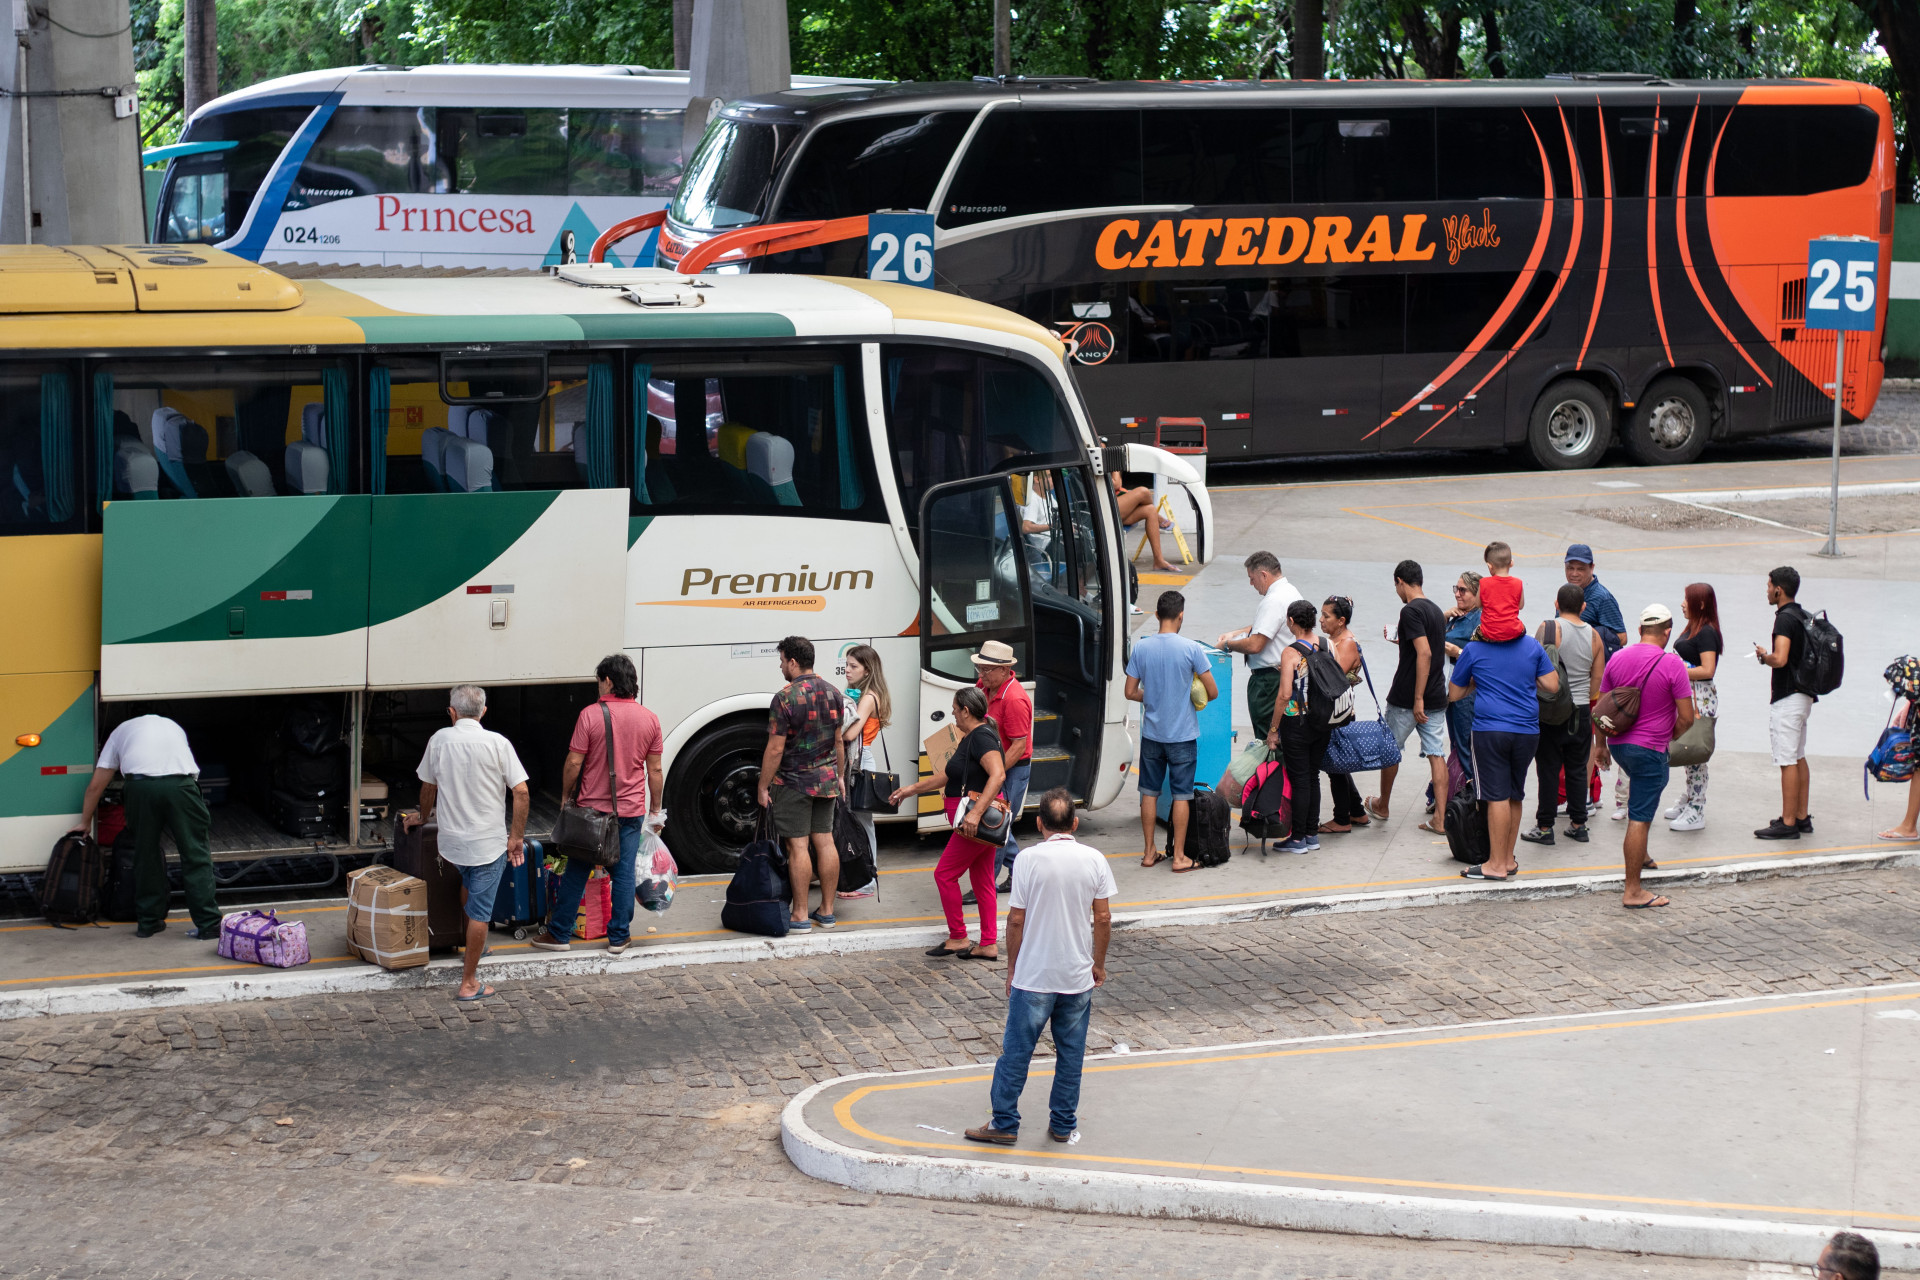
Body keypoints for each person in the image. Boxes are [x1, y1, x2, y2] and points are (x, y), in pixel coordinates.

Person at [964, 788, 1115, 1147]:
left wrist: (1012, 968)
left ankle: (1004, 1123)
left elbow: (1015, 921)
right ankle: (1062, 1125)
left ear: (1038, 823)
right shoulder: (1094, 859)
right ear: (1075, 823)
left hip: (1033, 977)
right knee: (1071, 1055)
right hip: (1076, 977)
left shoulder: (1028, 861)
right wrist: (1099, 964)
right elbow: (1104, 917)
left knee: (1016, 1054)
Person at [529, 655, 663, 957]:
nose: (598, 687)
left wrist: (565, 796)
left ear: (608, 681)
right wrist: (656, 810)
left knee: (577, 870)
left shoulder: (590, 715)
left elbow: (574, 761)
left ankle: (560, 933)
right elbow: (654, 770)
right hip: (630, 811)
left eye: (599, 681)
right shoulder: (649, 718)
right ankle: (618, 937)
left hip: (591, 813)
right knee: (624, 873)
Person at [406, 685, 530, 1001]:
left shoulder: (439, 741)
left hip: (451, 844)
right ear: (483, 712)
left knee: (468, 881)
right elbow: (522, 792)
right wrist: (515, 838)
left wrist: (422, 816)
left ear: (452, 712)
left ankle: (470, 945)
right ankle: (469, 982)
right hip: (487, 844)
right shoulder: (498, 743)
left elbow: (427, 788)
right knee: (480, 913)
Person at [69, 713, 221, 941]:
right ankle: (208, 924)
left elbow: (96, 786)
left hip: (141, 789)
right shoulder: (174, 725)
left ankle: (148, 923)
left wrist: (85, 822)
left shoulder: (119, 732)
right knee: (195, 854)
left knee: (144, 853)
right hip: (181, 786)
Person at [888, 686, 1006, 960]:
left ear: (966, 710)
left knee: (944, 874)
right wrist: (911, 789)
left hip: (974, 824)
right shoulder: (974, 736)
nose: (952, 713)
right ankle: (987, 943)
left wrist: (974, 815)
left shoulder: (980, 738)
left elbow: (998, 775)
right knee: (983, 882)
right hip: (978, 824)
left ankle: (958, 936)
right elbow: (946, 777)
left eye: (955, 709)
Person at [1592, 605, 1695, 908]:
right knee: (1640, 817)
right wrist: (1666, 737)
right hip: (1650, 749)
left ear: (1639, 631)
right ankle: (1633, 891)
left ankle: (1643, 855)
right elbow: (1687, 718)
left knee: (1639, 802)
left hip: (1621, 747)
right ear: (1667, 632)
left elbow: (1602, 709)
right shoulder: (1672, 663)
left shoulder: (1619, 657)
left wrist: (1601, 747)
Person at [1448, 624, 1558, 881]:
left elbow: (1454, 693)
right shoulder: (1532, 645)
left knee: (1495, 796)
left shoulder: (1474, 649)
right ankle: (1508, 858)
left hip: (1490, 730)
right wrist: (1521, 680)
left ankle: (1495, 865)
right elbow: (1552, 685)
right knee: (1514, 794)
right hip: (1527, 731)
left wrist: (1478, 682)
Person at [757, 635, 846, 930]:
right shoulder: (834, 693)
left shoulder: (785, 698)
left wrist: (762, 785)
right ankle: (828, 911)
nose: (781, 666)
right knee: (825, 840)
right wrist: (840, 776)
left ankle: (800, 913)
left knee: (798, 846)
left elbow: (775, 749)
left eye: (782, 660)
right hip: (827, 779)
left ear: (793, 662)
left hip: (794, 781)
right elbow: (838, 742)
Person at [1128, 590, 1218, 871]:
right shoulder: (1191, 649)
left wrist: (1153, 695)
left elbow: (1130, 692)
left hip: (1152, 736)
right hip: (1182, 736)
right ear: (1181, 616)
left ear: (1156, 615)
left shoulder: (1142, 648)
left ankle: (1148, 852)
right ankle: (1179, 857)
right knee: (1182, 795)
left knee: (1149, 792)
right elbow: (1212, 692)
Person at [1367, 560, 1450, 833]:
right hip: (1438, 695)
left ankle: (1383, 805)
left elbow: (1424, 653)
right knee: (1437, 755)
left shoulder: (1410, 611)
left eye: (1396, 586)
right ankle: (1440, 818)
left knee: (1391, 751)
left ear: (1401, 581)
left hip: (1408, 698)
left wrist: (1417, 699)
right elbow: (1428, 649)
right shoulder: (1437, 611)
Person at [1522, 584, 1605, 846]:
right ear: (1583, 607)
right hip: (1580, 711)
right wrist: (1583, 701)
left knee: (1548, 768)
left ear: (1556, 603)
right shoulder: (1594, 636)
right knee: (1578, 768)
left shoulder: (1549, 628)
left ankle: (1545, 827)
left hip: (1551, 710)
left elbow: (1533, 666)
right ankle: (1579, 824)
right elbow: (1597, 680)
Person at [1218, 551, 1303, 781]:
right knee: (1283, 739)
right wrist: (1237, 632)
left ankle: (1273, 796)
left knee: (1269, 741)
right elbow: (1264, 626)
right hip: (1283, 675)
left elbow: (1256, 644)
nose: (1251, 583)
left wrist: (1227, 645)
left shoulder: (1274, 600)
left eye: (1252, 578)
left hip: (1269, 682)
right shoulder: (1289, 591)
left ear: (1263, 574)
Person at [1264, 599, 1335, 854]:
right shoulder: (1328, 645)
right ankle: (1311, 835)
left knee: (1300, 779)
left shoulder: (1291, 652)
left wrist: (1273, 730)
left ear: (1291, 621)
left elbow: (1284, 695)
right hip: (1323, 722)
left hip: (1298, 723)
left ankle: (1298, 838)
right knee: (1313, 777)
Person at [1754, 566, 1815, 840]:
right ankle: (1801, 817)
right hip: (1804, 695)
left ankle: (1788, 823)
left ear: (1779, 589)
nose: (1767, 590)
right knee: (1798, 756)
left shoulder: (1784, 620)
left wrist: (1764, 656)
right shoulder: (1802, 615)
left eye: (1769, 586)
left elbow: (1780, 659)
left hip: (1788, 696)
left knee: (1787, 760)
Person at [1665, 583, 1722, 832]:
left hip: (1700, 701)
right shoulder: (1693, 628)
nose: (1682, 603)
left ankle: (1697, 807)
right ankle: (1689, 798)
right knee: (1689, 753)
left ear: (1700, 603)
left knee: (1695, 753)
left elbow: (1708, 669)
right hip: (1688, 698)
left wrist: (1678, 671)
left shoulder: (1707, 632)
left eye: (1687, 599)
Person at [1317, 595, 1368, 834]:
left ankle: (1342, 819)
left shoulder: (1346, 643)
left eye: (1326, 616)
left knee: (1335, 766)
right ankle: (1357, 812)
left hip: (1339, 713)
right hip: (1338, 711)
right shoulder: (1335, 639)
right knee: (1340, 763)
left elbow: (1333, 678)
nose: (1321, 620)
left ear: (1341, 620)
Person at [840, 643, 892, 861]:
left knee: (863, 821)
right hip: (857, 760)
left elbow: (850, 734)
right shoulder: (862, 694)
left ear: (867, 670)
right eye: (846, 665)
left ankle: (869, 875)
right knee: (854, 819)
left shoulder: (869, 697)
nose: (847, 670)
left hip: (860, 762)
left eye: (853, 666)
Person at [1442, 571, 1484, 787]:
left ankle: (1470, 791)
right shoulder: (1457, 616)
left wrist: (1457, 652)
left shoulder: (1480, 619)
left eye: (1463, 590)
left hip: (1468, 690)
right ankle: (1458, 789)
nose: (1457, 594)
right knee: (1457, 743)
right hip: (1453, 687)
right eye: (1456, 589)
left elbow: (1483, 654)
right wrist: (1445, 616)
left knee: (1465, 743)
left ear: (1477, 594)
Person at [1564, 544, 1629, 653]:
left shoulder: (1603, 598)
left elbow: (1622, 638)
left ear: (1591, 568)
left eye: (1580, 569)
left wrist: (1587, 638)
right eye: (1570, 568)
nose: (1574, 574)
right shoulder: (1565, 592)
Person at [1111, 469, 1178, 573]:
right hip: (1102, 508)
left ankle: (1158, 561)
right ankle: (1159, 518)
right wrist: (1115, 467)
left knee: (1150, 510)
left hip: (1114, 505)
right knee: (1143, 491)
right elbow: (1115, 484)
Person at [1476, 541, 1525, 642]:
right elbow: (1520, 606)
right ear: (1511, 563)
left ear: (1489, 566)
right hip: (1513, 631)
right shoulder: (1518, 583)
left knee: (1475, 634)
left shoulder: (1483, 582)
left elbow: (1478, 604)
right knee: (1523, 628)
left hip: (1488, 633)